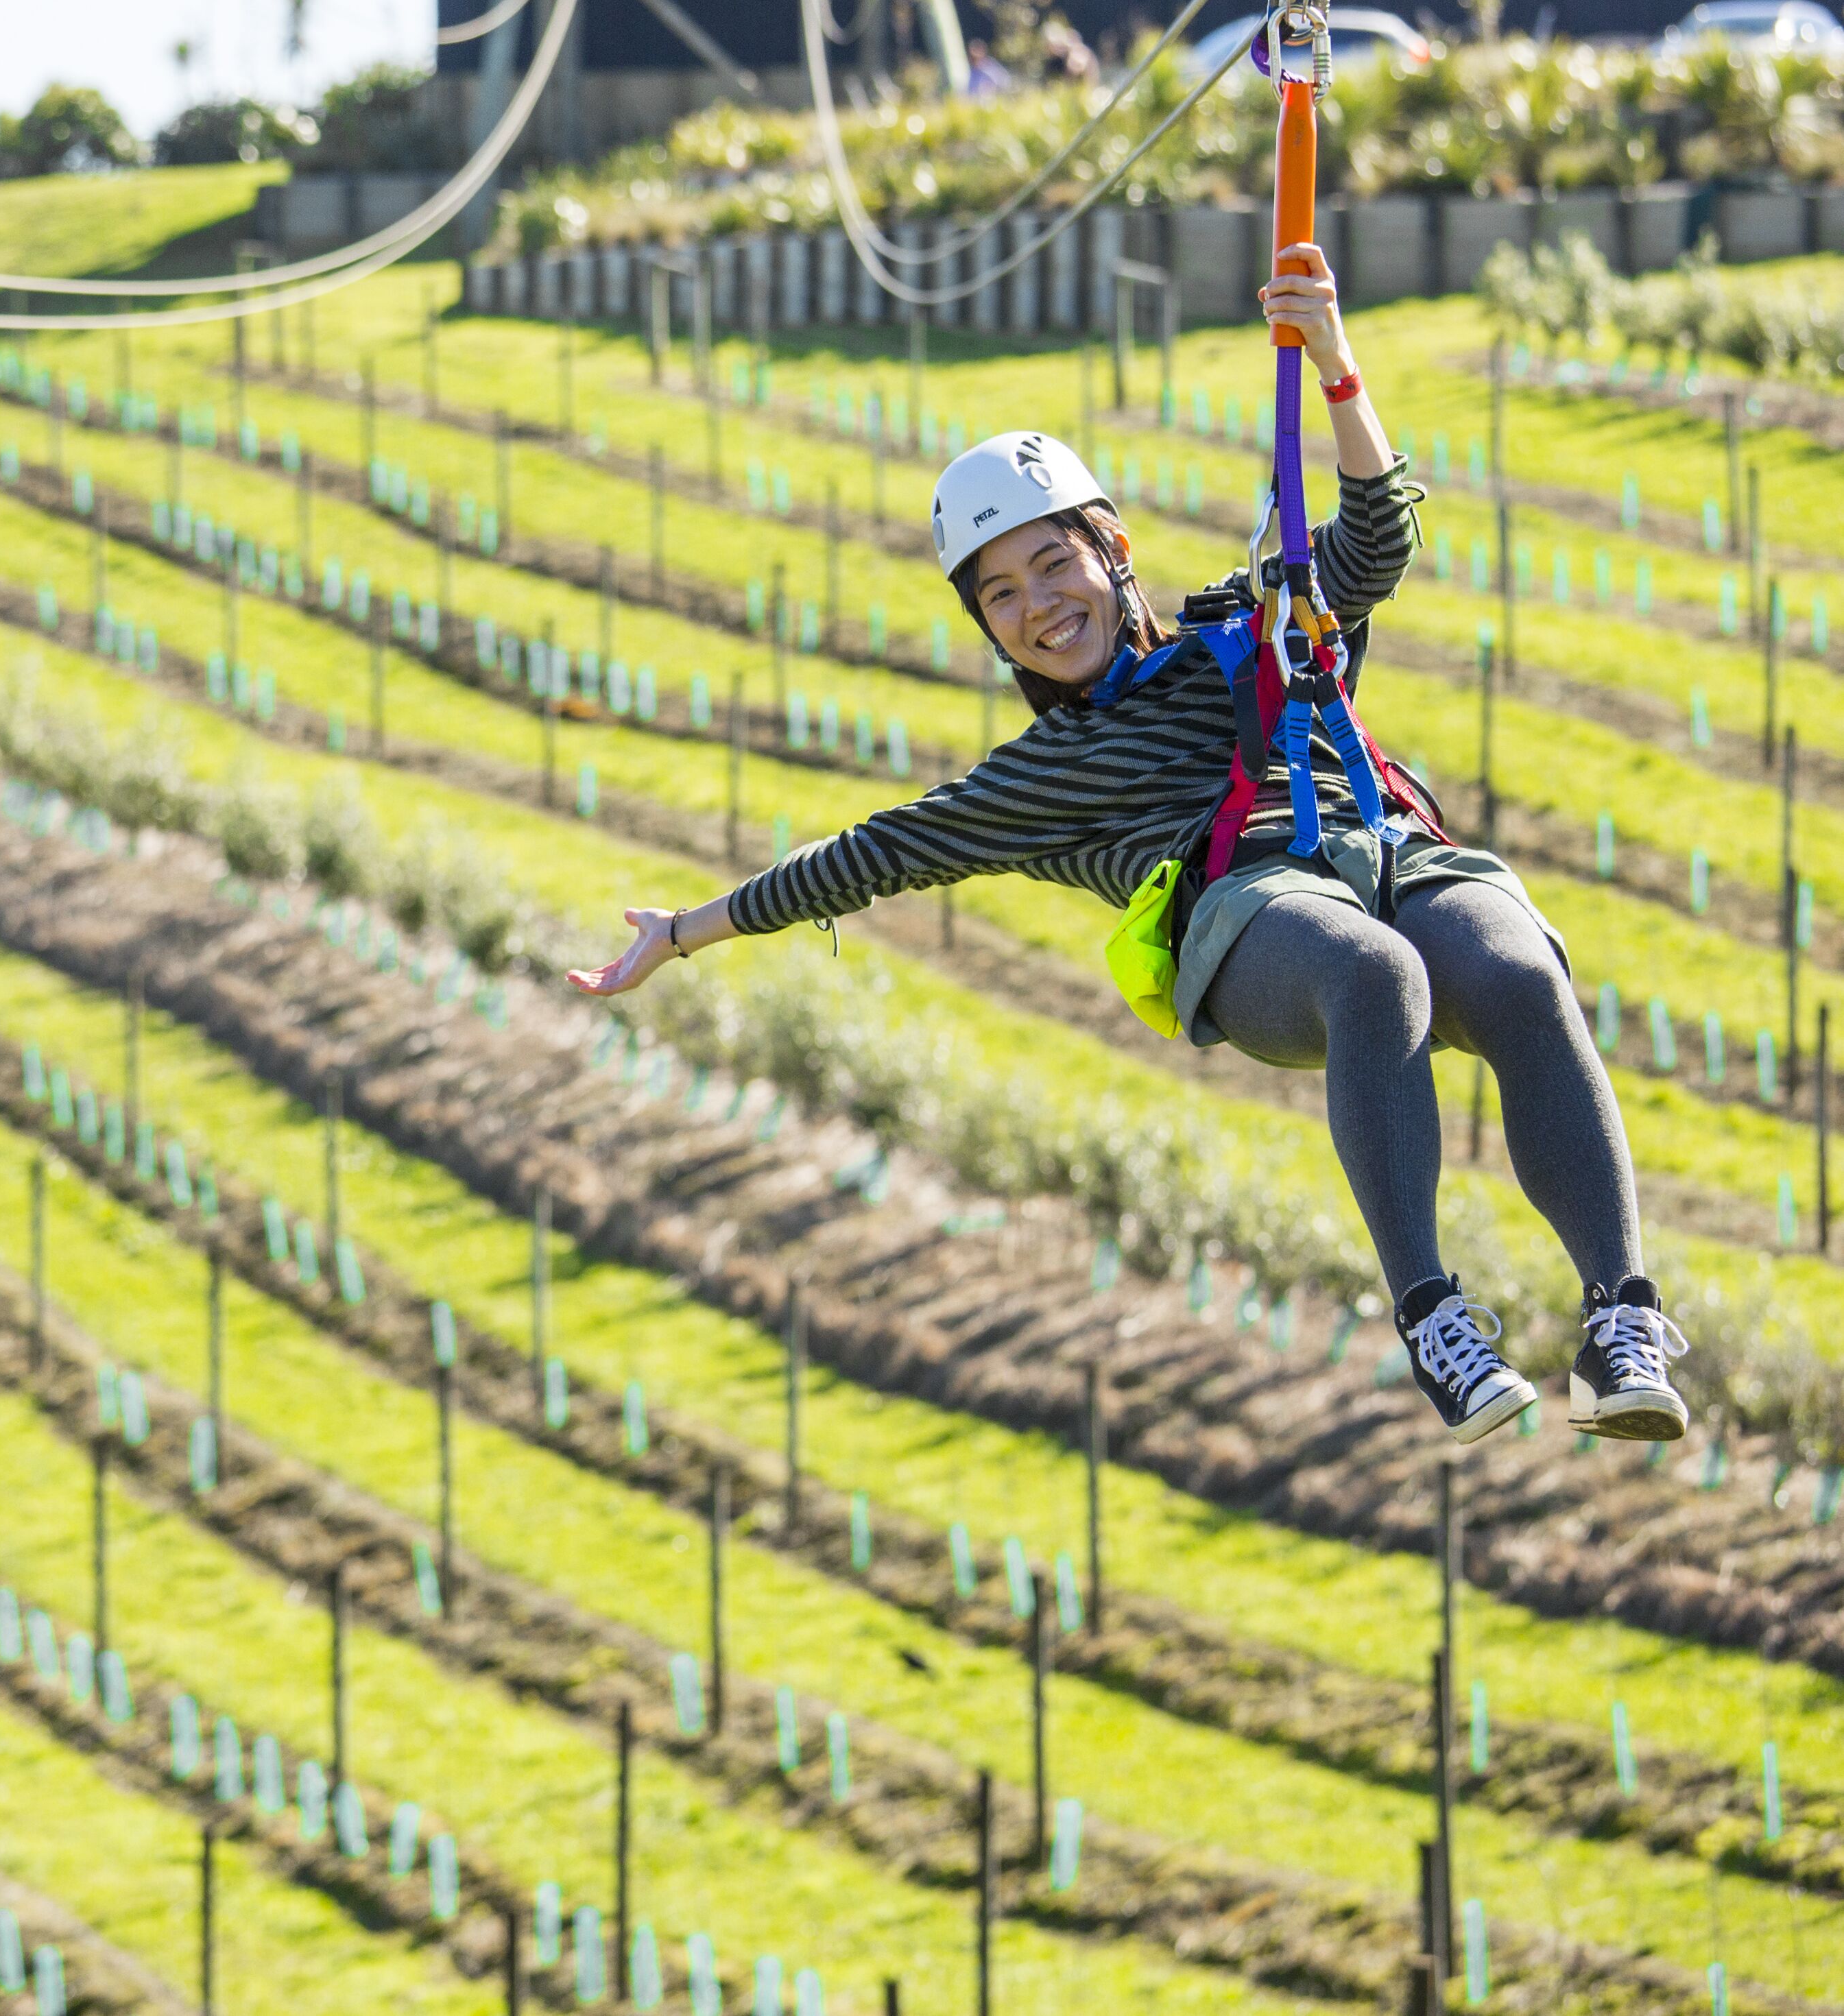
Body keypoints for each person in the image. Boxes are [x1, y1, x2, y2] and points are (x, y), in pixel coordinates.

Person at [566, 247, 1686, 1448]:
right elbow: (866, 857)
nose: (1041, 604)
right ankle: (1433, 1320)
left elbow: (1374, 544)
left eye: (1055, 561)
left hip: (1388, 844)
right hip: (1252, 918)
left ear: (1114, 553)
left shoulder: (1242, 626)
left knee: (1517, 970)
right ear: (989, 630)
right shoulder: (1037, 778)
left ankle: (1622, 1321)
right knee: (1375, 974)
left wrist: (1337, 366)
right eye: (1002, 594)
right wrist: (683, 935)